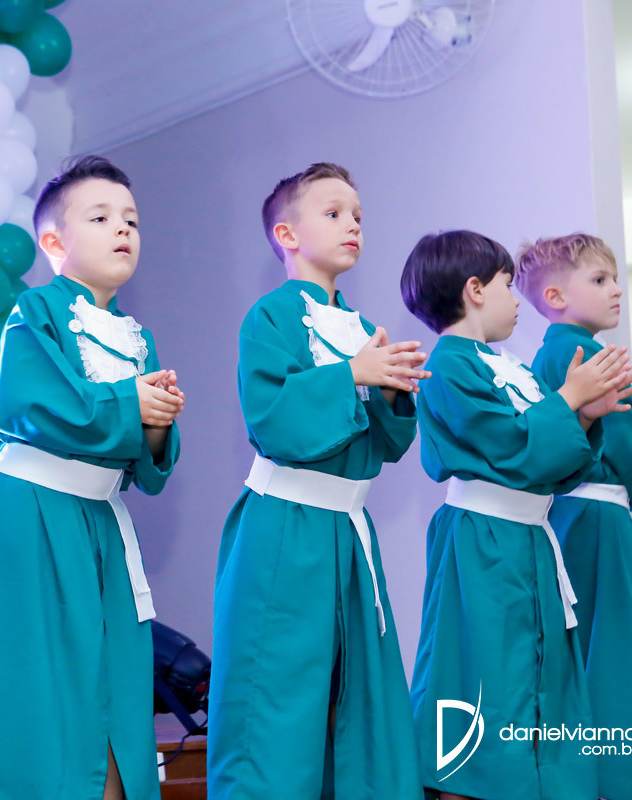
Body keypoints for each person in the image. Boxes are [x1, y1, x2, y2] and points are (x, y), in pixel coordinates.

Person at [0, 155, 185, 800]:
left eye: (131, 219)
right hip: (33, 510)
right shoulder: (36, 311)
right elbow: (41, 402)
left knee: (114, 675)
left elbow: (145, 464)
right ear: (55, 244)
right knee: (42, 682)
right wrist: (132, 405)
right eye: (101, 217)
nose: (123, 229)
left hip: (98, 519)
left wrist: (158, 422)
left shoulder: (136, 336)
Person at [208, 162, 428, 800]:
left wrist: (395, 393)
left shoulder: (362, 327)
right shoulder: (269, 317)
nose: (352, 224)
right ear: (287, 234)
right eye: (333, 213)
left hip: (350, 533)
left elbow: (385, 446)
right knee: (275, 701)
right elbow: (272, 417)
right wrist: (352, 375)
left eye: (357, 215)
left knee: (364, 699)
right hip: (286, 525)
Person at [403, 229, 632, 800]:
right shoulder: (449, 366)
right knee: (487, 674)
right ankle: (468, 784)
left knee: (542, 669)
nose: (516, 301)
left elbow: (551, 461)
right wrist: (569, 400)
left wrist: (585, 415)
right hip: (484, 541)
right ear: (475, 290)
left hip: (529, 536)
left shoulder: (506, 365)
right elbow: (510, 447)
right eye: (508, 286)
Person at [520, 232, 632, 800]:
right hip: (598, 525)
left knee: (589, 651)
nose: (617, 290)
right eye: (599, 279)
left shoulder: (549, 356)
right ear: (555, 296)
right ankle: (620, 782)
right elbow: (626, 441)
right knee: (614, 654)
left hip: (570, 518)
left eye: (614, 278)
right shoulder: (589, 357)